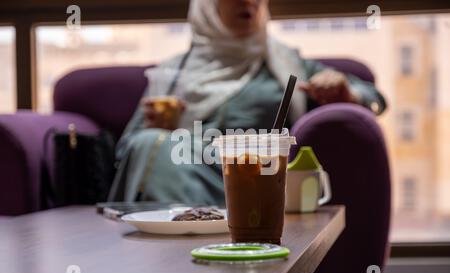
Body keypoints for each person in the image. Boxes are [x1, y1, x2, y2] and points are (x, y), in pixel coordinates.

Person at [108, 0, 386, 204]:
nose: (249, 3)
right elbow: (127, 150)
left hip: (253, 177)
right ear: (207, 7)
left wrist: (345, 92)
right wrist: (153, 127)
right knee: (151, 144)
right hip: (179, 169)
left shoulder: (287, 65)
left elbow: (376, 100)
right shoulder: (172, 75)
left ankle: (193, 238)